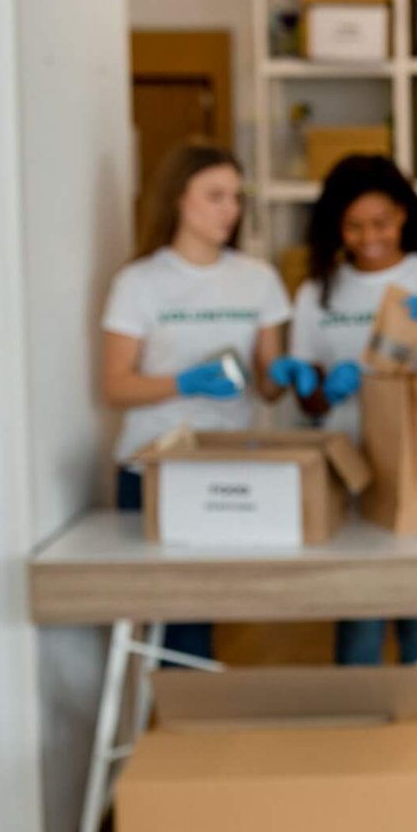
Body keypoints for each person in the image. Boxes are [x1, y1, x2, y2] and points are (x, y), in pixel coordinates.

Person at [270, 154, 417, 665]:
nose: (370, 237)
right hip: (350, 471)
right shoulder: (318, 291)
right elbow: (309, 401)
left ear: (405, 215)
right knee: (358, 624)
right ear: (336, 227)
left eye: (381, 222)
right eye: (355, 226)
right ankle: (357, 736)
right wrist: (315, 386)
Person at [101, 139, 293, 662]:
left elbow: (267, 386)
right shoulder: (138, 283)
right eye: (215, 195)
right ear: (178, 199)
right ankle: (153, 732)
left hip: (223, 467)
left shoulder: (258, 280)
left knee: (197, 624)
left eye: (235, 196)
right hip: (151, 468)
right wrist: (186, 382)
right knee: (154, 618)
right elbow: (116, 385)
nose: (229, 209)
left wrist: (284, 374)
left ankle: (191, 733)